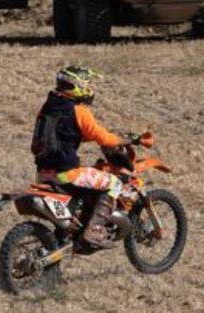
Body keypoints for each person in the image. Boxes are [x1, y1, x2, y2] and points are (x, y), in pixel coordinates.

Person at [30, 66, 154, 247]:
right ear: (78, 86)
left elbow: (67, 134)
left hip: (43, 174)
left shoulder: (49, 107)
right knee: (114, 183)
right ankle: (94, 230)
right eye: (87, 84)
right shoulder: (79, 111)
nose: (90, 88)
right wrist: (128, 139)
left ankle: (74, 229)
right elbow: (105, 138)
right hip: (67, 174)